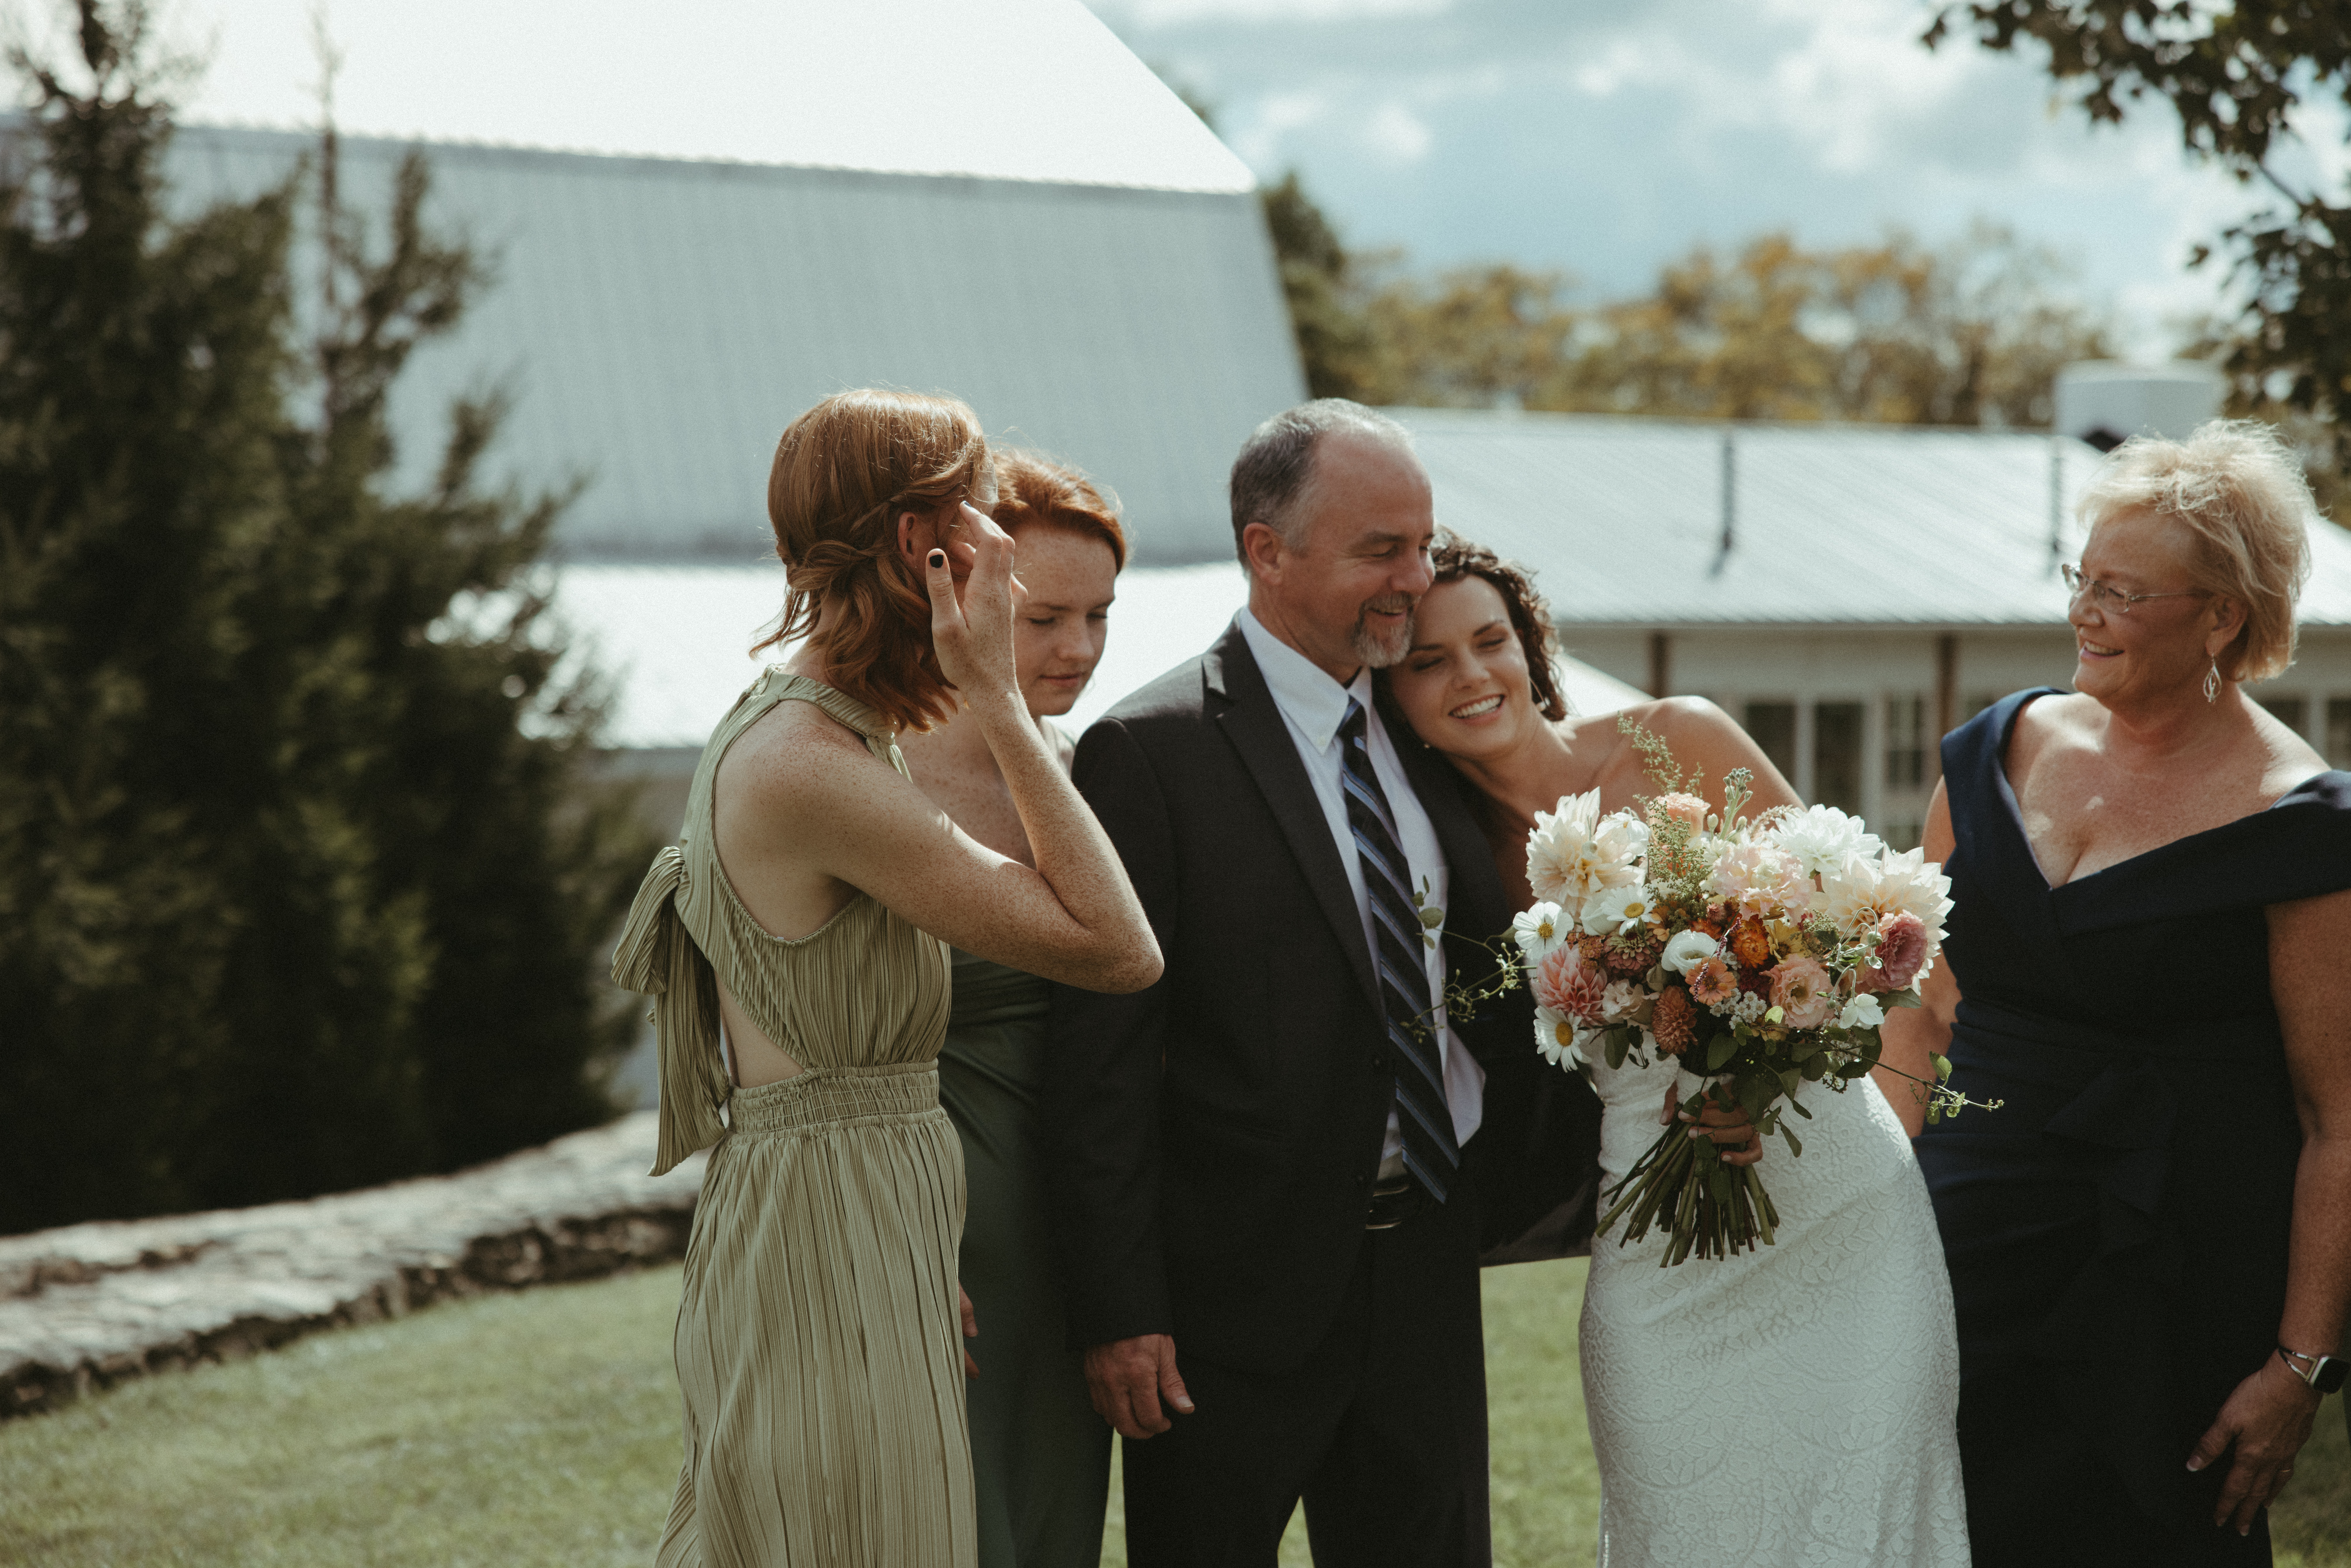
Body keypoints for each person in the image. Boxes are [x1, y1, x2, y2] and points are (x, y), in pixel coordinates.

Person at [1043, 400, 1602, 1567]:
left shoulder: (1427, 731)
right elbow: (1097, 1059)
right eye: (1379, 550)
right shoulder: (1148, 753)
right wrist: (1122, 1310)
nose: (1417, 577)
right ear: (1268, 551)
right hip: (1221, 1311)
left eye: (1423, 540)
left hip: (1424, 1285)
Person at [610, 390, 1161, 1568]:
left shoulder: (830, 734)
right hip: (843, 1223)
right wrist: (1001, 698)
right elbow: (1119, 949)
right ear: (929, 544)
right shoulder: (810, 763)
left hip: (865, 1204)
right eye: (980, 510)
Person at [1380, 533, 1973, 1565]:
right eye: (1428, 662)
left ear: (1530, 645)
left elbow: (1861, 940)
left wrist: (1759, 1064)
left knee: (1862, 1513)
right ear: (1389, 693)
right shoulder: (1438, 853)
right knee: (1677, 1515)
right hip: (1654, 1234)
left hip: (1836, 1206)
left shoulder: (1678, 739)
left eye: (1490, 641)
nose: (1472, 676)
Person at [1895, 421, 2351, 1567]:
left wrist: (2297, 1367)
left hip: (2173, 1279)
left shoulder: (2302, 827)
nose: (2083, 613)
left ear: (2221, 615)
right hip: (1959, 1248)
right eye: (2079, 579)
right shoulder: (1989, 755)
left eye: (2124, 591)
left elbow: (2336, 1120)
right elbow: (1915, 1002)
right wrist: (1879, 1216)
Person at [897, 450, 1126, 1568]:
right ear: (960, 596)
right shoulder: (864, 770)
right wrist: (881, 1235)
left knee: (1051, 1523)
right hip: (926, 1235)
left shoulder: (1083, 771)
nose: (1077, 650)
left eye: (1099, 617)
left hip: (1070, 1233)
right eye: (1044, 619)